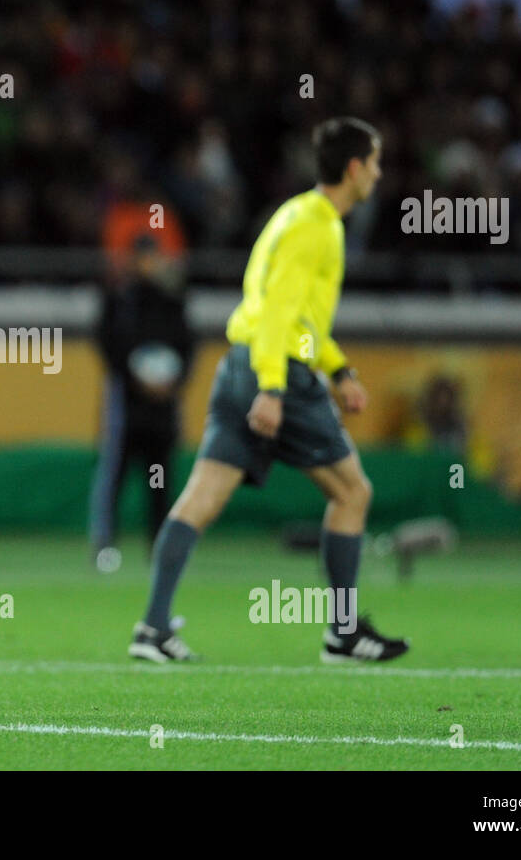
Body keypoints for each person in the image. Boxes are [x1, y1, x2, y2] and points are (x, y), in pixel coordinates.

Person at [129, 118, 409, 664]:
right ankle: (344, 633)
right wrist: (275, 389)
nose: (378, 172)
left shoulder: (293, 214)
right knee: (353, 493)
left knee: (201, 499)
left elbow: (291, 315)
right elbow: (282, 312)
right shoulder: (319, 226)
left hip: (243, 363)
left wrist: (339, 368)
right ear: (354, 169)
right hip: (275, 371)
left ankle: (153, 627)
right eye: (374, 162)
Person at [89, 234, 193, 572]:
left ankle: (158, 547)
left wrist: (171, 383)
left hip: (161, 413)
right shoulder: (120, 301)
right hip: (126, 409)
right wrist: (135, 377)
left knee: (159, 480)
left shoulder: (172, 302)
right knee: (114, 478)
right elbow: (106, 341)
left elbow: (187, 346)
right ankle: (105, 547)